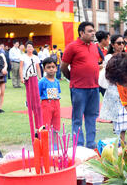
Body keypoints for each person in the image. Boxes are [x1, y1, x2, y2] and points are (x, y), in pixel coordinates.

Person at [61, 21, 100, 149]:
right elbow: (63, 67)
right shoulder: (72, 47)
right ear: (81, 33)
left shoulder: (95, 46)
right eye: (90, 31)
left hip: (94, 88)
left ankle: (90, 144)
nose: (93, 33)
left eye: (93, 31)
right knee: (77, 118)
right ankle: (78, 146)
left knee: (92, 117)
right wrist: (72, 79)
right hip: (79, 89)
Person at [99, 34, 127, 145]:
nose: (121, 45)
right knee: (118, 117)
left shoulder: (126, 56)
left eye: (122, 43)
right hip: (114, 89)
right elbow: (108, 73)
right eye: (118, 43)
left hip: (126, 88)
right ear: (113, 45)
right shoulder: (109, 57)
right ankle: (121, 142)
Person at [38, 57, 61, 143]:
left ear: (56, 68)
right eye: (48, 67)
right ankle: (45, 144)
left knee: (56, 126)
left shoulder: (57, 81)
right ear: (44, 69)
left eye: (53, 67)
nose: (51, 69)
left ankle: (55, 145)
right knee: (46, 125)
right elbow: (38, 94)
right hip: (46, 104)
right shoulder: (42, 82)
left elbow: (58, 92)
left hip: (56, 104)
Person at [96, 30, 110, 97]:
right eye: (108, 39)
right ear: (104, 40)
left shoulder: (106, 50)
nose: (109, 41)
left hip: (104, 78)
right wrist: (101, 66)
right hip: (95, 79)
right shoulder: (93, 49)